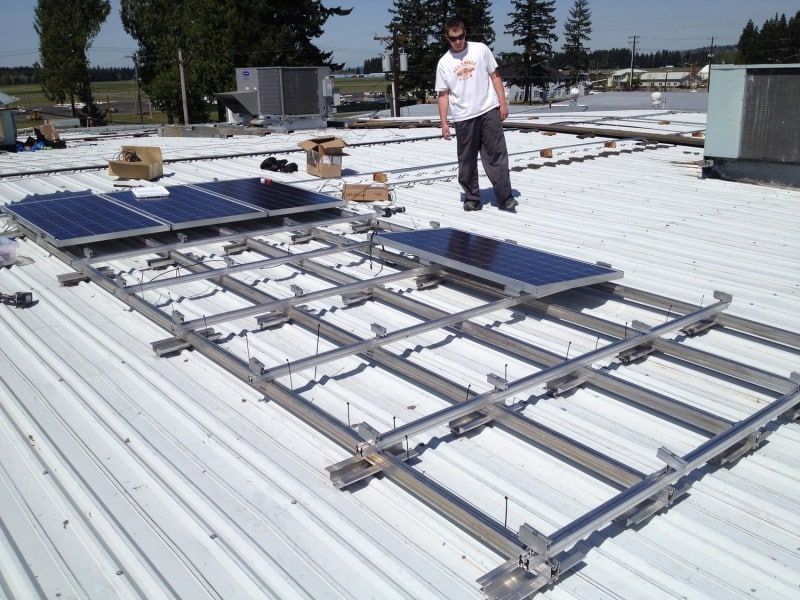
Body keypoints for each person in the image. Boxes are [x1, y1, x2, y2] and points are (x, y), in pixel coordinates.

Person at [435, 16, 517, 212]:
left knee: (496, 154)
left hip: (488, 110)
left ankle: (505, 197)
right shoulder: (444, 63)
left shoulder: (480, 49)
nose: (458, 41)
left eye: (461, 37)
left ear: (465, 33)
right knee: (467, 159)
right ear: (447, 38)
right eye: (453, 38)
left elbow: (495, 76)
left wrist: (502, 103)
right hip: (463, 117)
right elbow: (443, 95)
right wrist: (444, 122)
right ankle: (471, 197)